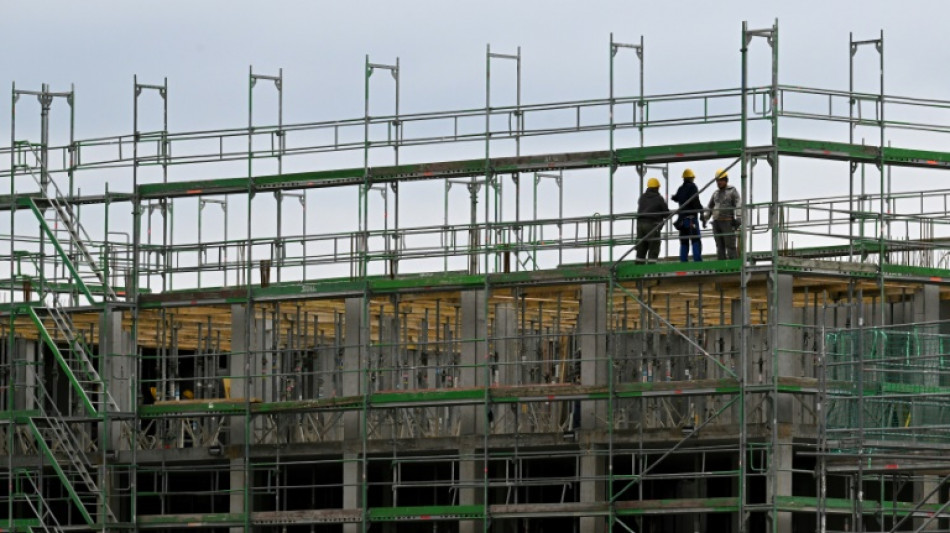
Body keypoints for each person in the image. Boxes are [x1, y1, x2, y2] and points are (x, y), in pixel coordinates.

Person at [701, 169, 741, 260]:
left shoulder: (732, 191)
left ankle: (733, 265)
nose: (719, 182)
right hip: (716, 223)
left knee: (730, 246)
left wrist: (739, 217)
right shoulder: (716, 193)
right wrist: (705, 219)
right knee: (719, 247)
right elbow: (710, 207)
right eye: (717, 180)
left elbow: (738, 203)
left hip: (727, 222)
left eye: (721, 180)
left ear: (726, 180)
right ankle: (722, 265)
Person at [671, 168, 703, 262]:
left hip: (682, 220)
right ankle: (697, 261)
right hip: (691, 219)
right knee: (695, 239)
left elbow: (676, 198)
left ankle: (683, 261)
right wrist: (701, 211)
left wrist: (673, 197)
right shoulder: (693, 187)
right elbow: (695, 201)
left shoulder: (681, 189)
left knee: (684, 241)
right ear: (691, 178)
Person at [635, 177, 669, 263]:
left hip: (640, 225)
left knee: (641, 246)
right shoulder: (658, 198)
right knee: (654, 246)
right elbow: (666, 213)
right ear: (657, 187)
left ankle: (639, 265)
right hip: (652, 225)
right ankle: (651, 265)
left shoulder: (642, 197)